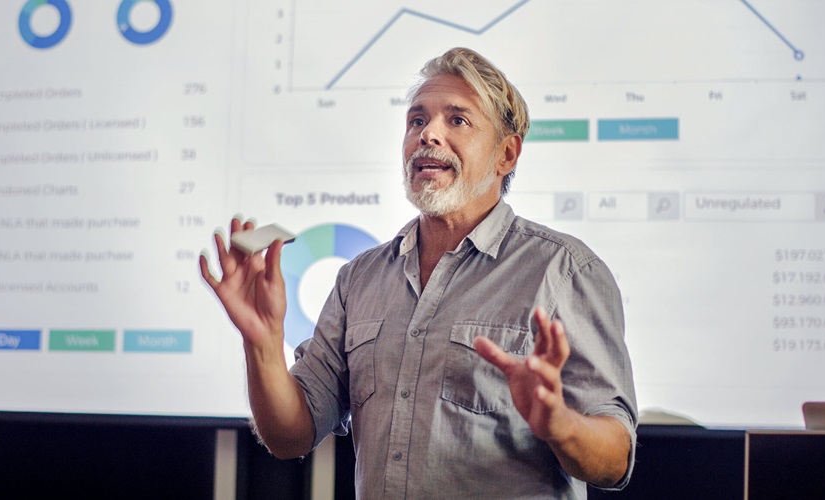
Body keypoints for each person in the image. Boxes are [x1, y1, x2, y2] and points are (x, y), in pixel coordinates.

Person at [200, 47, 636, 498]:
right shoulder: (360, 279)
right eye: (416, 121)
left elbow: (616, 459)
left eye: (457, 120)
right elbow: (290, 436)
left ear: (507, 154)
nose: (428, 135)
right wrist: (263, 343)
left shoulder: (564, 271)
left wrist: (559, 423)